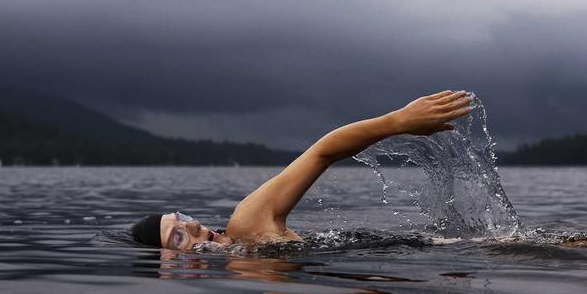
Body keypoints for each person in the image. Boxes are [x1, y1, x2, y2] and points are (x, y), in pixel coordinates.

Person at [131, 90, 473, 251]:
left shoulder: (247, 225)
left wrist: (397, 122)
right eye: (178, 236)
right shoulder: (243, 272)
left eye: (182, 217)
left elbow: (321, 152)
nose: (193, 224)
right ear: (169, 266)